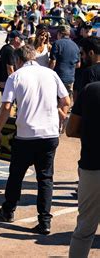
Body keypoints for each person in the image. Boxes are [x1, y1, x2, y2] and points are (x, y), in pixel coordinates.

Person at [0, 45, 70, 235]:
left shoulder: (15, 77)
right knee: (45, 178)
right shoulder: (50, 74)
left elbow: (6, 107)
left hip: (26, 135)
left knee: (16, 175)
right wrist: (59, 117)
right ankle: (44, 221)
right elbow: (66, 101)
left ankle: (8, 210)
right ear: (34, 57)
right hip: (49, 134)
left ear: (19, 61)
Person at [66, 81, 100, 258]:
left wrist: (90, 134)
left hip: (92, 168)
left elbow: (70, 130)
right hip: (91, 167)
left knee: (85, 229)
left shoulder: (90, 90)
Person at [49, 25, 80, 99]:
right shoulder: (75, 46)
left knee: (55, 101)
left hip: (58, 78)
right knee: (66, 101)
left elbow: (53, 62)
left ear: (59, 33)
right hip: (70, 79)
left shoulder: (57, 43)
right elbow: (78, 65)